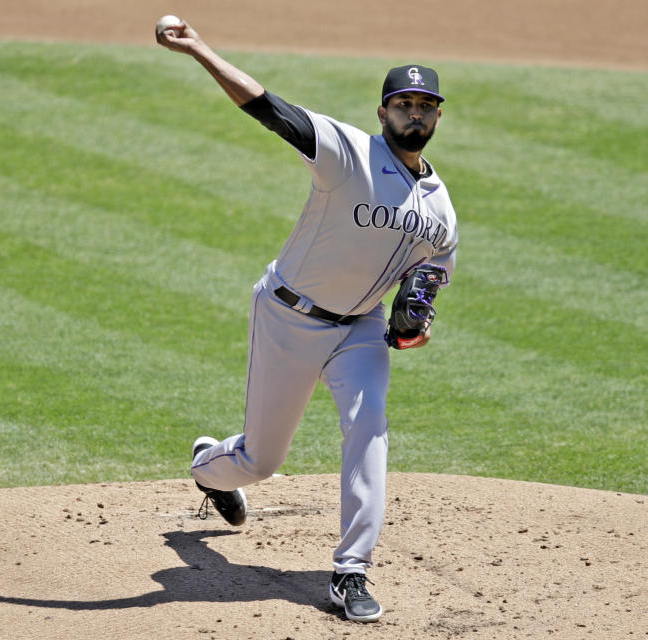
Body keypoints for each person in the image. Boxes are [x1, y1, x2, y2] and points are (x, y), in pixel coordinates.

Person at [156, 20, 457, 623]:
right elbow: (265, 106)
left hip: (361, 330)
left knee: (368, 424)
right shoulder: (348, 150)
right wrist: (197, 49)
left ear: (437, 118)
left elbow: (426, 283)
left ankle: (351, 572)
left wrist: (415, 321)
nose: (415, 112)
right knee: (261, 461)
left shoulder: (443, 209)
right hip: (287, 316)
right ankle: (209, 468)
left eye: (426, 105)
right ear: (383, 110)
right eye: (405, 103)